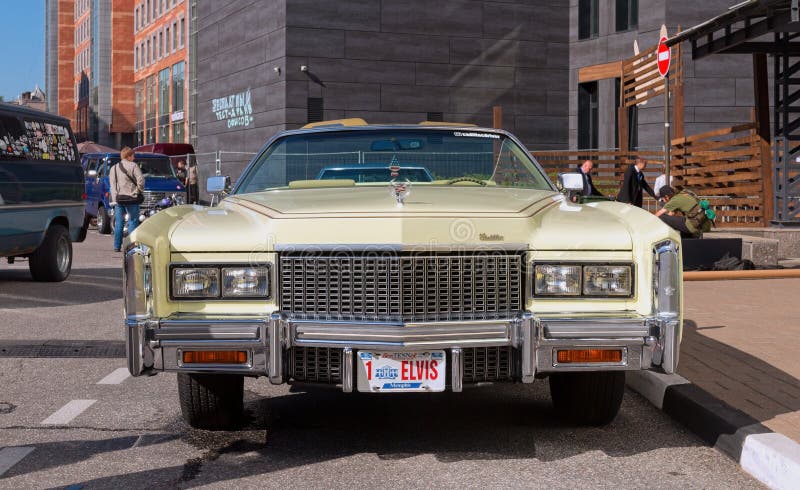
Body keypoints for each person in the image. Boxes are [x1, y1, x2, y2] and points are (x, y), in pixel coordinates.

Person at [109, 147, 145, 252]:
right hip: (132, 197)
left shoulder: (114, 168)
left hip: (119, 199)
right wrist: (138, 191)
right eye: (133, 155)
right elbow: (141, 180)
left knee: (119, 222)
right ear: (128, 156)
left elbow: (112, 185)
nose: (134, 157)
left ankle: (116, 246)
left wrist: (115, 197)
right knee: (133, 221)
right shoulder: (133, 166)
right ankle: (131, 246)